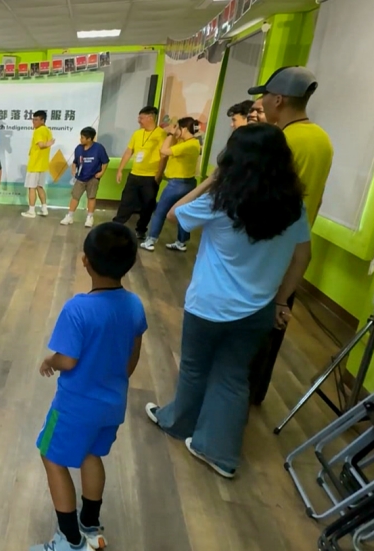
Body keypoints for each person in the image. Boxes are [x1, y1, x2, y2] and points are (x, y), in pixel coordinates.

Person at [144, 123, 312, 479]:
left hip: (209, 305)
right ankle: (218, 452)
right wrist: (281, 302)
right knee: (234, 377)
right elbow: (302, 256)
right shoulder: (292, 206)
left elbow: (174, 214)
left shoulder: (221, 200)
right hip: (258, 309)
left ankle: (177, 422)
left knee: (194, 368)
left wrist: (211, 179)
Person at [29, 222, 146, 551]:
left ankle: (70, 540)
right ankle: (91, 526)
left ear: (85, 261)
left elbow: (68, 359)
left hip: (75, 406)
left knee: (51, 456)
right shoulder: (134, 305)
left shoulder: (78, 309)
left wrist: (50, 360)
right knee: (92, 455)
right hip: (113, 404)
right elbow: (132, 357)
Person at [246, 66, 334, 404]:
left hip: (267, 250)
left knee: (250, 329)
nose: (263, 104)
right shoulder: (322, 140)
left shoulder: (280, 142)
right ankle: (254, 392)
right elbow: (317, 198)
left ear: (279, 99)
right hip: (295, 248)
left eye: (266, 97)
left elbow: (258, 197)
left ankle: (235, 396)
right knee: (274, 326)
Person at [141, 117, 202, 253]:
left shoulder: (187, 145)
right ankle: (181, 242)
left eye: (178, 128)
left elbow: (163, 151)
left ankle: (151, 240)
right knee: (182, 213)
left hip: (177, 184)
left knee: (160, 211)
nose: (176, 131)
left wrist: (170, 134)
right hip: (189, 183)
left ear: (184, 129)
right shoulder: (193, 143)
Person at [114, 106, 167, 239]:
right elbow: (129, 151)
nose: (139, 120)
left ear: (150, 117)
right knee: (126, 201)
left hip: (150, 177)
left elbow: (163, 156)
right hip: (134, 174)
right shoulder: (137, 134)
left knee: (147, 205)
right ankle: (116, 226)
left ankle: (141, 229)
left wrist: (159, 174)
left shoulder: (161, 134)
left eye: (141, 118)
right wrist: (120, 169)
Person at [61, 127, 109, 228]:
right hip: (80, 177)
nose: (80, 139)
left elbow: (105, 161)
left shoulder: (99, 148)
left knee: (91, 197)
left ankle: (90, 217)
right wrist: (73, 169)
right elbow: (75, 161)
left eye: (83, 137)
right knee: (75, 196)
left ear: (89, 139)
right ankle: (70, 216)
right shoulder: (78, 148)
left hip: (93, 177)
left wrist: (102, 172)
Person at [22, 110, 55, 218]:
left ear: (42, 120)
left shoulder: (38, 131)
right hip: (43, 165)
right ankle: (44, 209)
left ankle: (31, 211)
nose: (34, 122)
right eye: (33, 119)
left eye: (36, 119)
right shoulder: (48, 130)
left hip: (35, 164)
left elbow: (41, 145)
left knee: (31, 187)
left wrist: (47, 144)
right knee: (39, 187)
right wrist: (49, 143)